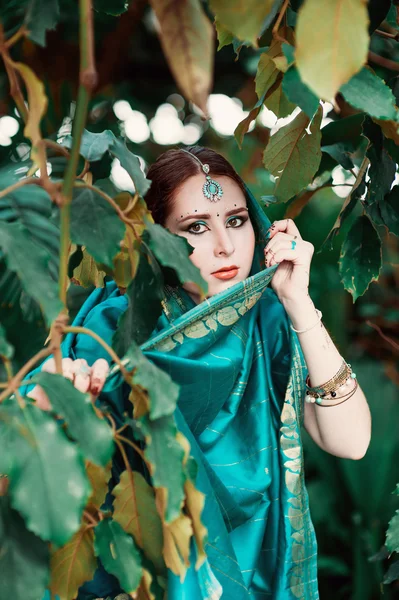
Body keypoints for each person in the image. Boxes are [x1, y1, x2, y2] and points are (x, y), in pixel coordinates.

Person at [24, 145, 371, 599]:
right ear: (157, 239)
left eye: (236, 220)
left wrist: (298, 303)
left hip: (260, 575)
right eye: (195, 227)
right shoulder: (118, 325)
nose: (225, 246)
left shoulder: (270, 321)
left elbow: (352, 443)